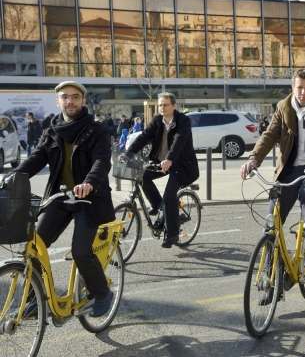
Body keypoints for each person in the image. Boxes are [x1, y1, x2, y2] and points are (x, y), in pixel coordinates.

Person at [10, 80, 116, 317]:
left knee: (80, 250)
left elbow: (102, 161)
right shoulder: (51, 131)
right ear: (58, 102)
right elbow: (35, 160)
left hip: (89, 199)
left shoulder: (96, 129)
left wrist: (89, 182)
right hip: (59, 197)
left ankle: (102, 292)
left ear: (83, 101)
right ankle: (35, 298)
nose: (70, 101)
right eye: (65, 97)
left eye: (76, 97)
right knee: (34, 246)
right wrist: (10, 178)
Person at [240, 68, 305, 270]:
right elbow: (269, 135)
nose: (303, 92)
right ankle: (270, 275)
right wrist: (253, 160)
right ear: (292, 88)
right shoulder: (283, 107)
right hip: (288, 171)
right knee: (271, 224)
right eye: (299, 87)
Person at [124, 92, 199, 248]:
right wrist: (128, 153)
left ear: (174, 106)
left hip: (181, 165)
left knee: (169, 195)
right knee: (143, 176)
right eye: (160, 105)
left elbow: (179, 141)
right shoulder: (157, 120)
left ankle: (172, 234)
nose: (162, 107)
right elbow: (143, 137)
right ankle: (159, 206)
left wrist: (170, 159)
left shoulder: (183, 121)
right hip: (160, 163)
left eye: (165, 104)